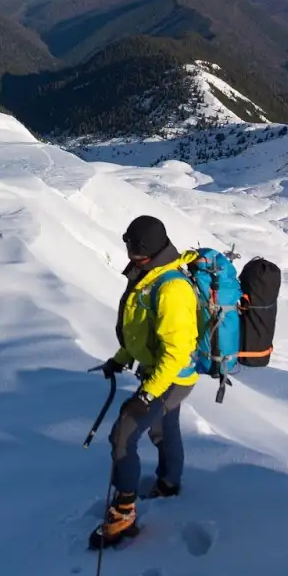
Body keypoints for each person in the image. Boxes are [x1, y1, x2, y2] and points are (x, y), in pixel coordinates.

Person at [93, 215, 199, 547]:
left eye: (130, 246)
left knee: (123, 433)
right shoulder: (150, 276)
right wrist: (120, 359)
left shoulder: (171, 288)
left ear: (145, 249)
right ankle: (169, 483)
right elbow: (141, 332)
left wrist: (147, 394)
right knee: (164, 428)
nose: (126, 251)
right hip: (160, 373)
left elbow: (177, 352)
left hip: (171, 376)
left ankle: (123, 514)